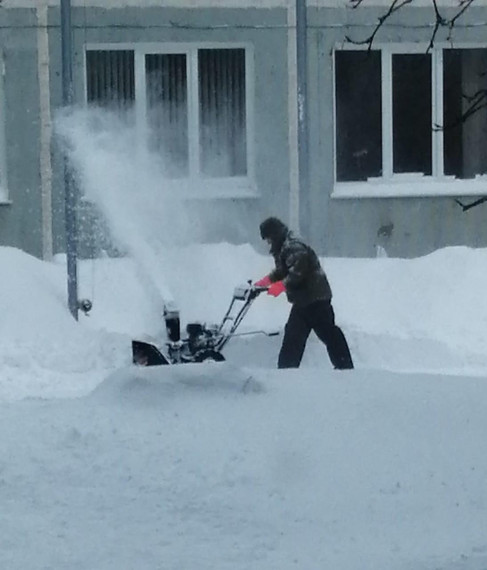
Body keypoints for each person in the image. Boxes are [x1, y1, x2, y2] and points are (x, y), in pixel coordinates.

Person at [255, 216, 354, 370]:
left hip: (315, 299)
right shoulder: (284, 246)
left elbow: (297, 273)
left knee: (322, 333)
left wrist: (280, 287)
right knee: (300, 335)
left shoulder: (294, 247)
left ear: (274, 235)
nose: (268, 243)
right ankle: (287, 371)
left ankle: (344, 368)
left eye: (268, 239)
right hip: (305, 300)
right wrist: (265, 282)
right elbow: (283, 270)